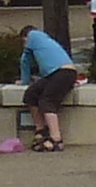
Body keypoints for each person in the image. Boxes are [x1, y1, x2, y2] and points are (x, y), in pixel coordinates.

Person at [15, 21, 79, 150]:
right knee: (31, 94)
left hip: (63, 72)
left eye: (23, 41)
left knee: (47, 101)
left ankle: (56, 138)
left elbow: (25, 61)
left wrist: (24, 80)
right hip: (57, 73)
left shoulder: (33, 35)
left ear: (25, 37)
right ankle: (40, 129)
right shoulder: (44, 40)